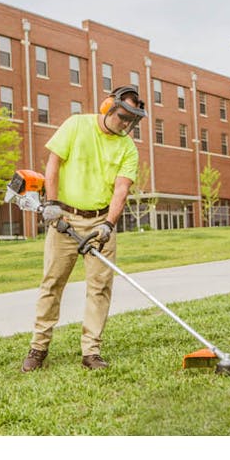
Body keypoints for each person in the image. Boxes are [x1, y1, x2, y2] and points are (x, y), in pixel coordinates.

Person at [22, 85, 146, 372]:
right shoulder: (76, 125)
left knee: (100, 287)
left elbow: (120, 191)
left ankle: (91, 351)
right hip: (64, 216)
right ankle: (39, 347)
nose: (126, 124)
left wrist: (108, 225)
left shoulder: (128, 148)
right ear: (108, 107)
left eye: (132, 121)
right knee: (52, 283)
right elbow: (53, 165)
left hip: (101, 222)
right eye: (123, 117)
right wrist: (51, 204)